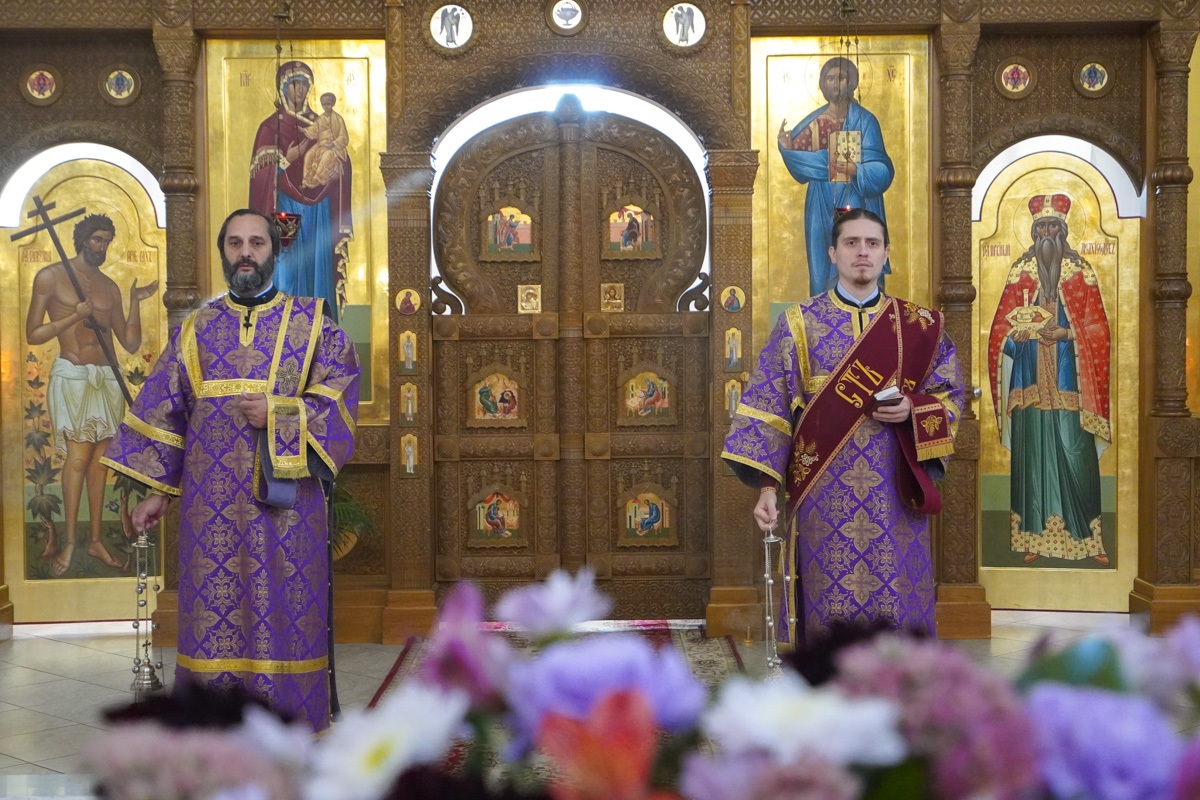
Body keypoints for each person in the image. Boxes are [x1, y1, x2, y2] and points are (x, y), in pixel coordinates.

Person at [101, 209, 359, 731]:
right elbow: (166, 410)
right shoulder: (194, 330)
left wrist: (281, 413)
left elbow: (340, 401)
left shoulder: (313, 325)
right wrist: (158, 492)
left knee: (286, 612)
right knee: (213, 615)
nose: (246, 253)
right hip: (209, 511)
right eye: (235, 243)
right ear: (223, 252)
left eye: (256, 243)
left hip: (286, 512)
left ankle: (288, 728)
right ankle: (213, 731)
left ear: (274, 252)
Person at [722, 208, 964, 645]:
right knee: (827, 600)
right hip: (823, 493)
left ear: (886, 254)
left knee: (895, 597)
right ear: (832, 253)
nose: (862, 252)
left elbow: (950, 397)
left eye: (873, 243)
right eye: (852, 243)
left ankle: (896, 678)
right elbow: (769, 407)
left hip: (895, 490)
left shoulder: (920, 326)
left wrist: (913, 409)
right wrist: (768, 488)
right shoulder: (799, 323)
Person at [25, 213, 159, 576]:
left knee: (100, 464)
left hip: (106, 379)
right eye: (97, 239)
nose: (102, 247)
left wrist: (135, 300)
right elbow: (33, 334)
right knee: (78, 460)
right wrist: (74, 316)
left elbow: (129, 342)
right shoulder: (51, 276)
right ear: (83, 239)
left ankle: (96, 540)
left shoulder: (109, 287)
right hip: (73, 377)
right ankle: (71, 542)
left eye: (107, 241)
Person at [987, 194, 1110, 564]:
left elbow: (1099, 329)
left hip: (1071, 384)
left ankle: (1088, 539)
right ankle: (1033, 538)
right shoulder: (1019, 272)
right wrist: (1016, 336)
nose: (1046, 232)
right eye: (1040, 226)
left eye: (1052, 225)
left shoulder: (1081, 272)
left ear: (1063, 230)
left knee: (1076, 454)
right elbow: (1000, 332)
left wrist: (1067, 334)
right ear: (1032, 231)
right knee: (1033, 459)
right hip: (1029, 384)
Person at [778, 56, 895, 297]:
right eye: (830, 78)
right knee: (822, 260)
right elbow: (800, 167)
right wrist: (787, 148)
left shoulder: (865, 121)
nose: (835, 84)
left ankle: (864, 305)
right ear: (822, 83)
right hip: (820, 201)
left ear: (852, 82)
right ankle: (823, 311)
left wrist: (856, 170)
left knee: (857, 252)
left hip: (856, 198)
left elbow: (882, 170)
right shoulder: (814, 122)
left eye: (840, 78)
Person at [248, 60, 352, 322]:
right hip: (285, 208)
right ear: (283, 88)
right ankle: (283, 326)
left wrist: (337, 163)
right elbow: (261, 176)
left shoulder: (322, 123)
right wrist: (287, 160)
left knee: (318, 262)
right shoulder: (271, 127)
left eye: (305, 84)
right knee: (288, 265)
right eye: (295, 84)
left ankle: (320, 326)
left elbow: (341, 157)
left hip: (319, 208)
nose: (301, 90)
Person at [299, 92, 349, 191]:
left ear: (333, 103)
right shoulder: (320, 119)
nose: (326, 107)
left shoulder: (338, 119)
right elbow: (314, 130)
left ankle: (316, 178)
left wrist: (333, 143)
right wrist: (305, 130)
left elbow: (344, 136)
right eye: (324, 104)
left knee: (327, 155)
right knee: (309, 154)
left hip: (335, 146)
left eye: (328, 104)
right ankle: (306, 179)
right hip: (321, 144)